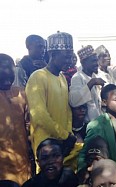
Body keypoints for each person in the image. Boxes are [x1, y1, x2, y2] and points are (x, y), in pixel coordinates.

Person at [26, 31, 82, 171]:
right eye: (66, 57)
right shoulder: (38, 77)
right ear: (53, 54)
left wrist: (68, 135)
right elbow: (39, 115)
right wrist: (63, 135)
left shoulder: (62, 77)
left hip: (63, 141)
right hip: (46, 145)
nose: (69, 61)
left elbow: (66, 109)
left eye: (70, 57)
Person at [77, 84, 116, 173]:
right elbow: (84, 154)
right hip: (108, 172)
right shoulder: (97, 126)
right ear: (104, 102)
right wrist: (82, 173)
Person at [0, 54, 31, 185]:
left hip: (22, 161)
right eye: (3, 77)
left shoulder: (22, 93)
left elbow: (29, 124)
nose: (8, 82)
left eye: (11, 77)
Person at [69, 45, 105, 122]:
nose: (97, 64)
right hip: (87, 125)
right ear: (83, 62)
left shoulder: (95, 76)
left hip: (98, 123)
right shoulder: (77, 77)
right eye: (93, 61)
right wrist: (92, 83)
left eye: (96, 61)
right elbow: (74, 101)